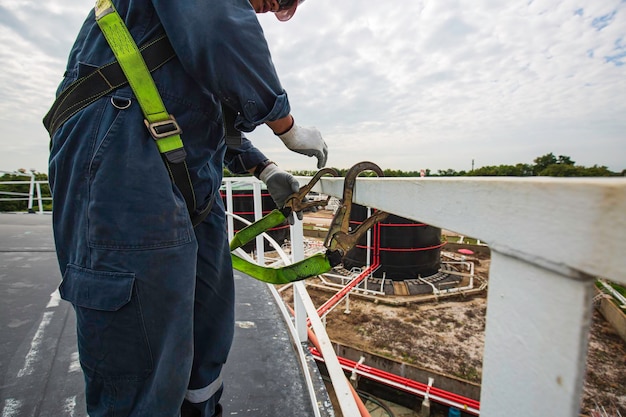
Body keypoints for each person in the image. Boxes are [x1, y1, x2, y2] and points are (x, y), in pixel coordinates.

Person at [45, 0, 327, 416]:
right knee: (139, 354)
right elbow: (219, 27)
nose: (278, 6)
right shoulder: (207, 14)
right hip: (122, 158)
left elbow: (205, 113)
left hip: (186, 180)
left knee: (205, 327)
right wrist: (285, 124)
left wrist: (264, 168)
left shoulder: (184, 31)